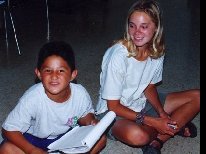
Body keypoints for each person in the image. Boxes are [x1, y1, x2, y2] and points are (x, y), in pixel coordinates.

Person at [95, 0, 200, 154]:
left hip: (142, 102)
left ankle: (157, 141)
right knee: (138, 136)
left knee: (197, 96)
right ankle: (171, 126)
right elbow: (113, 106)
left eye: (144, 27)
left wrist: (162, 114)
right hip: (115, 113)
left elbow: (149, 86)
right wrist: (154, 121)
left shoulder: (157, 51)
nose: (137, 32)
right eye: (132, 25)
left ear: (156, 28)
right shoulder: (117, 56)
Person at [0, 41, 106, 154]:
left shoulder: (80, 93)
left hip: (66, 138)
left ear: (73, 74)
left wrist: (91, 122)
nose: (54, 76)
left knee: (100, 139)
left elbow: (85, 115)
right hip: (34, 140)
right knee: (6, 149)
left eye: (61, 71)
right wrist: (32, 150)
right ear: (39, 74)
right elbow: (8, 129)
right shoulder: (32, 98)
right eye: (48, 70)